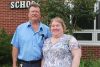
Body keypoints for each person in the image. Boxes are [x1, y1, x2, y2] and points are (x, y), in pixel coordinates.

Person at [11, 2, 51, 67]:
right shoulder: (20, 28)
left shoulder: (47, 30)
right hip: (23, 63)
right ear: (28, 14)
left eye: (37, 11)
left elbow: (51, 47)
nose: (34, 13)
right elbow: (15, 47)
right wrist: (14, 64)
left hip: (40, 63)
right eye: (32, 11)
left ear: (40, 14)